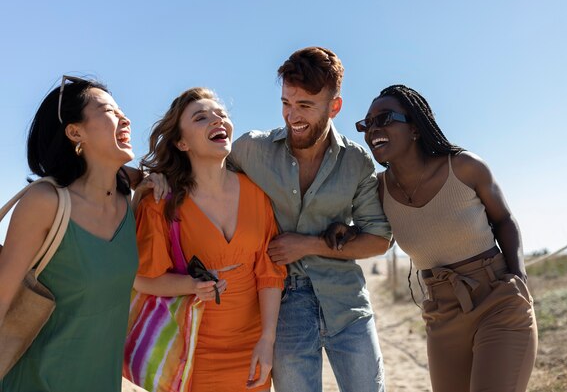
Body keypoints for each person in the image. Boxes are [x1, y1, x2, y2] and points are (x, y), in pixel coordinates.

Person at [337, 84, 538, 392]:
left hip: (497, 300)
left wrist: (518, 278)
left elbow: (504, 220)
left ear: (415, 127)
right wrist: (347, 231)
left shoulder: (464, 166)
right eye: (367, 123)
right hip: (441, 311)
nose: (373, 128)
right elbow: (376, 235)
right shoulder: (378, 189)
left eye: (385, 119)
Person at [228, 47, 392, 392]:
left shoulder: (357, 161)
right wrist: (155, 178)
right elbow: (206, 176)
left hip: (346, 302)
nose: (293, 116)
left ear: (334, 106)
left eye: (305, 106)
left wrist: (310, 245)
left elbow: (378, 239)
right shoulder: (251, 150)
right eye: (287, 103)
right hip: (284, 306)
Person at [133, 87, 286, 392]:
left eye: (222, 115)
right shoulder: (161, 202)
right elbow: (142, 279)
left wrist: (267, 340)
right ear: (181, 142)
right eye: (201, 118)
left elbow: (269, 274)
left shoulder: (257, 192)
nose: (218, 121)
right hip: (191, 354)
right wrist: (193, 286)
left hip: (252, 349)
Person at [0, 76, 138, 391]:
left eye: (121, 110)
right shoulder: (46, 202)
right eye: (109, 111)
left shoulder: (129, 195)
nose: (124, 118)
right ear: (75, 132)